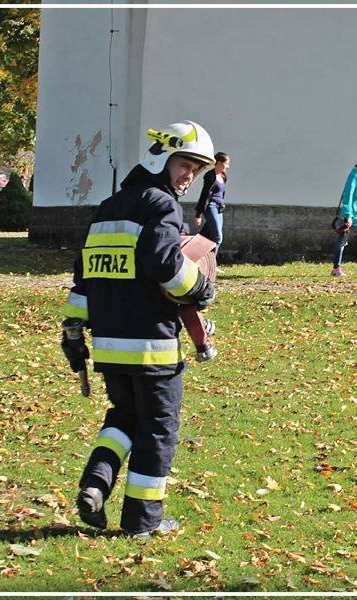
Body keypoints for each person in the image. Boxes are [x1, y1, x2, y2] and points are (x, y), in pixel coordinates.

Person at [61, 120, 217, 538]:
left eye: (197, 171)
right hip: (152, 347)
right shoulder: (160, 204)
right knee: (159, 430)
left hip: (110, 347)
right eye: (185, 165)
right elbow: (164, 264)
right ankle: (144, 521)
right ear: (161, 157)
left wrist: (73, 329)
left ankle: (96, 482)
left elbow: (85, 278)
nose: (189, 178)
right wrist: (201, 288)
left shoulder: (108, 207)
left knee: (124, 416)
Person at [195, 152, 230, 267]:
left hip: (219, 208)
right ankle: (210, 265)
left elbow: (222, 193)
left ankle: (200, 259)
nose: (227, 166)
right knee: (217, 237)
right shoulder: (210, 176)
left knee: (207, 235)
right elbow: (204, 194)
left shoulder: (223, 176)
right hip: (211, 207)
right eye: (226, 164)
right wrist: (199, 213)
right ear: (219, 163)